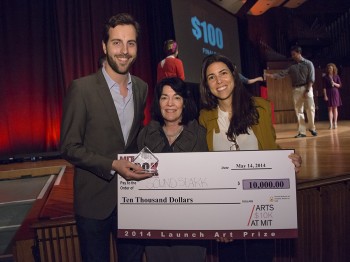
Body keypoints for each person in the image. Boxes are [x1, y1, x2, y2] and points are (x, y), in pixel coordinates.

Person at [60, 13, 152, 262]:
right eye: (116, 42)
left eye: (130, 43)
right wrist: (112, 165)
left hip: (131, 198)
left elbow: (133, 140)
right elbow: (69, 147)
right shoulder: (82, 89)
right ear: (104, 45)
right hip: (93, 202)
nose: (124, 50)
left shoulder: (142, 88)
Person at [198, 54, 302, 262]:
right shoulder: (204, 118)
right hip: (225, 212)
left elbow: (270, 148)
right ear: (206, 84)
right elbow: (204, 169)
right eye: (211, 77)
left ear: (234, 76)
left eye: (223, 73)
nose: (219, 81)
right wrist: (214, 219)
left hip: (260, 207)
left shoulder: (261, 108)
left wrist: (291, 159)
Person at [137, 77, 208, 262]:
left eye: (176, 97)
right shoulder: (145, 134)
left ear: (184, 102)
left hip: (191, 227)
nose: (170, 103)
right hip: (155, 227)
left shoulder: (201, 135)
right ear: (158, 102)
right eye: (164, 97)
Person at [265, 45, 317, 138]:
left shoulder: (309, 63)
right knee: (298, 111)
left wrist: (308, 90)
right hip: (296, 89)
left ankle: (312, 128)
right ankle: (302, 132)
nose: (292, 56)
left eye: (294, 54)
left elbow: (311, 78)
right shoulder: (292, 66)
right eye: (292, 54)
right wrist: (272, 76)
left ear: (299, 53)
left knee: (310, 109)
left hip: (307, 87)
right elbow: (283, 73)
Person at [322, 63, 342, 129]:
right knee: (329, 108)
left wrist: (334, 83)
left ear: (333, 69)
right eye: (328, 68)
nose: (329, 69)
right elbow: (324, 87)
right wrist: (325, 96)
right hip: (328, 92)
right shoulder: (325, 77)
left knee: (335, 108)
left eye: (331, 68)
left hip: (335, 92)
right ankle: (330, 124)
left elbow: (340, 85)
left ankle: (335, 123)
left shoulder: (336, 76)